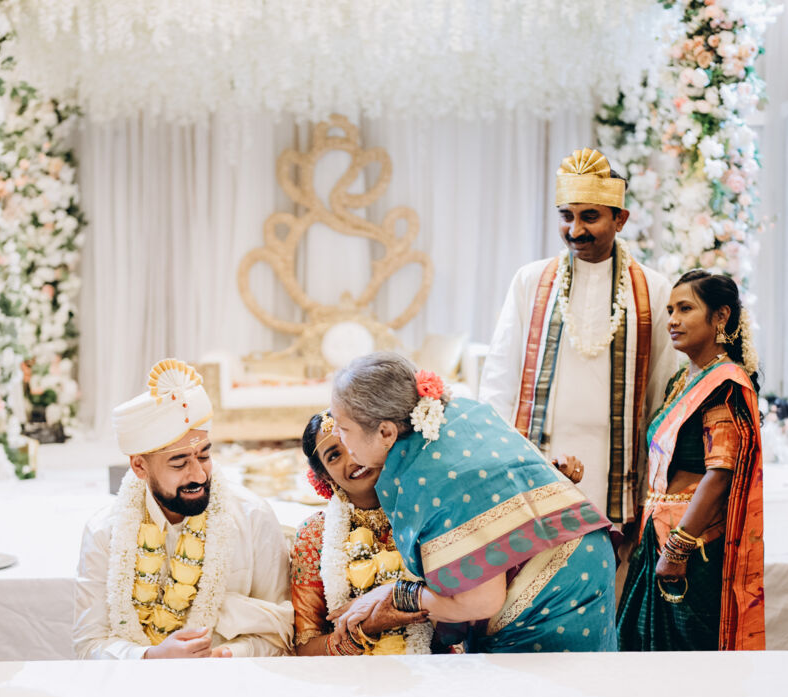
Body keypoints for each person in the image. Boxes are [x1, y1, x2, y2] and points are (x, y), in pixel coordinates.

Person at [327, 352, 617, 654]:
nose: (336, 434)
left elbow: (481, 603)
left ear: (386, 432)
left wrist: (399, 594)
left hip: (554, 585)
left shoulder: (432, 475)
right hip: (580, 552)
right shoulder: (459, 414)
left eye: (343, 428)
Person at [479, 148, 678, 527]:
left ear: (620, 219)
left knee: (608, 555)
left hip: (615, 468)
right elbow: (499, 379)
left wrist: (654, 484)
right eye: (566, 216)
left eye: (589, 217)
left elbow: (662, 391)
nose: (575, 230)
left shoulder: (653, 290)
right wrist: (497, 461)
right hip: (539, 458)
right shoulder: (531, 281)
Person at [74, 359, 292, 658]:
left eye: (204, 456)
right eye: (179, 464)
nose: (199, 475)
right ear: (140, 467)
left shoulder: (253, 516)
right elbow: (88, 645)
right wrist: (152, 658)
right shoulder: (104, 532)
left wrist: (229, 656)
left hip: (234, 679)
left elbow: (283, 632)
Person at [616, 271, 764, 651]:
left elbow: (720, 472)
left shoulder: (724, 384)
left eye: (685, 309)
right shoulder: (682, 381)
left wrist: (678, 548)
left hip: (694, 543)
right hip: (658, 533)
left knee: (685, 659)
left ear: (721, 316)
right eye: (670, 310)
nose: (673, 320)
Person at [290, 412, 431, 655]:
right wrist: (365, 628)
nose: (352, 456)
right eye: (334, 455)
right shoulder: (314, 535)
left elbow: (463, 603)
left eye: (353, 440)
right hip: (354, 674)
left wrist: (399, 597)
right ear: (324, 475)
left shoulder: (428, 511)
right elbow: (305, 648)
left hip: (438, 666)